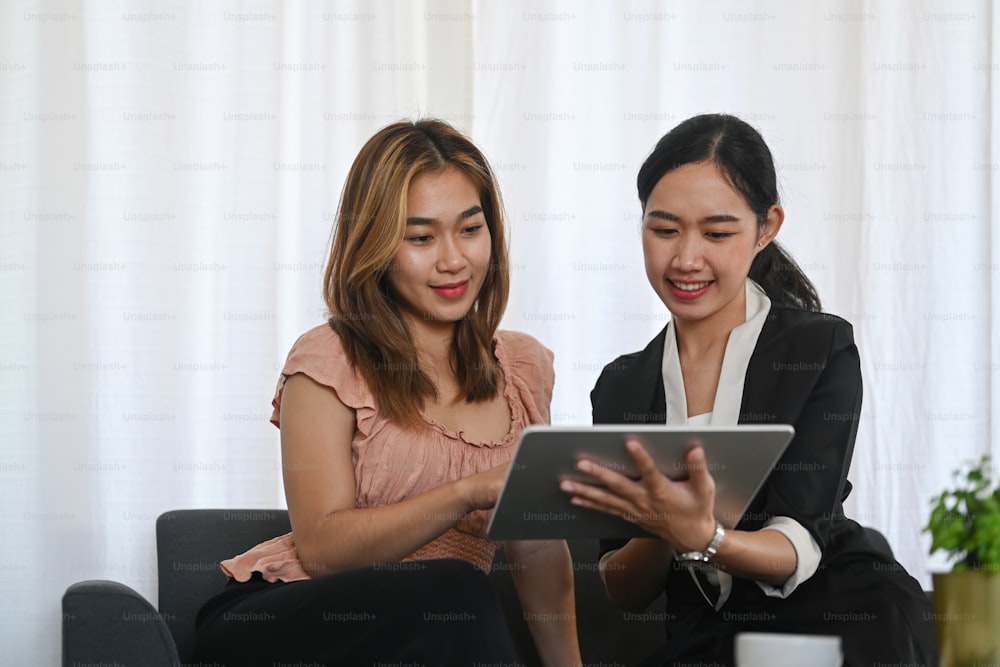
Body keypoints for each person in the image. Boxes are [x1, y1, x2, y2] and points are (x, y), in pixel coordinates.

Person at [194, 119, 582, 666]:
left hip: (430, 638)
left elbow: (536, 547)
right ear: (375, 244)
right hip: (285, 619)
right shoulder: (329, 358)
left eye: (470, 229)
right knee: (452, 589)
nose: (453, 259)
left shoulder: (522, 368)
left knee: (451, 598)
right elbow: (323, 550)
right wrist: (466, 491)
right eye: (421, 237)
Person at [559, 114, 938, 666]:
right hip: (706, 632)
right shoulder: (622, 385)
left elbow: (798, 543)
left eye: (717, 233)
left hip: (837, 607)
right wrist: (663, 529)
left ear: (766, 228)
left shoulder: (820, 349)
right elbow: (623, 588)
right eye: (664, 230)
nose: (686, 259)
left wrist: (705, 536)